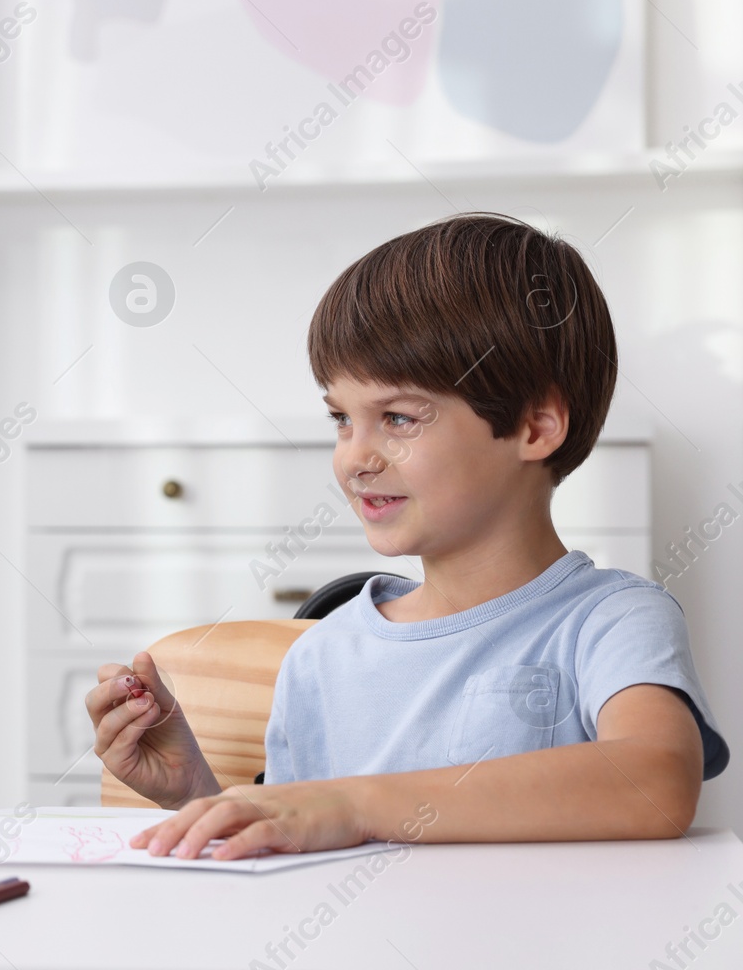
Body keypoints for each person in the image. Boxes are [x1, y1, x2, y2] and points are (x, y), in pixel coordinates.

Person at [89, 213, 728, 860]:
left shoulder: (611, 621)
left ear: (535, 427)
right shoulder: (321, 656)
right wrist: (197, 795)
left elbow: (654, 782)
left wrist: (352, 803)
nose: (354, 457)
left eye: (396, 417)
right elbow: (293, 851)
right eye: (341, 419)